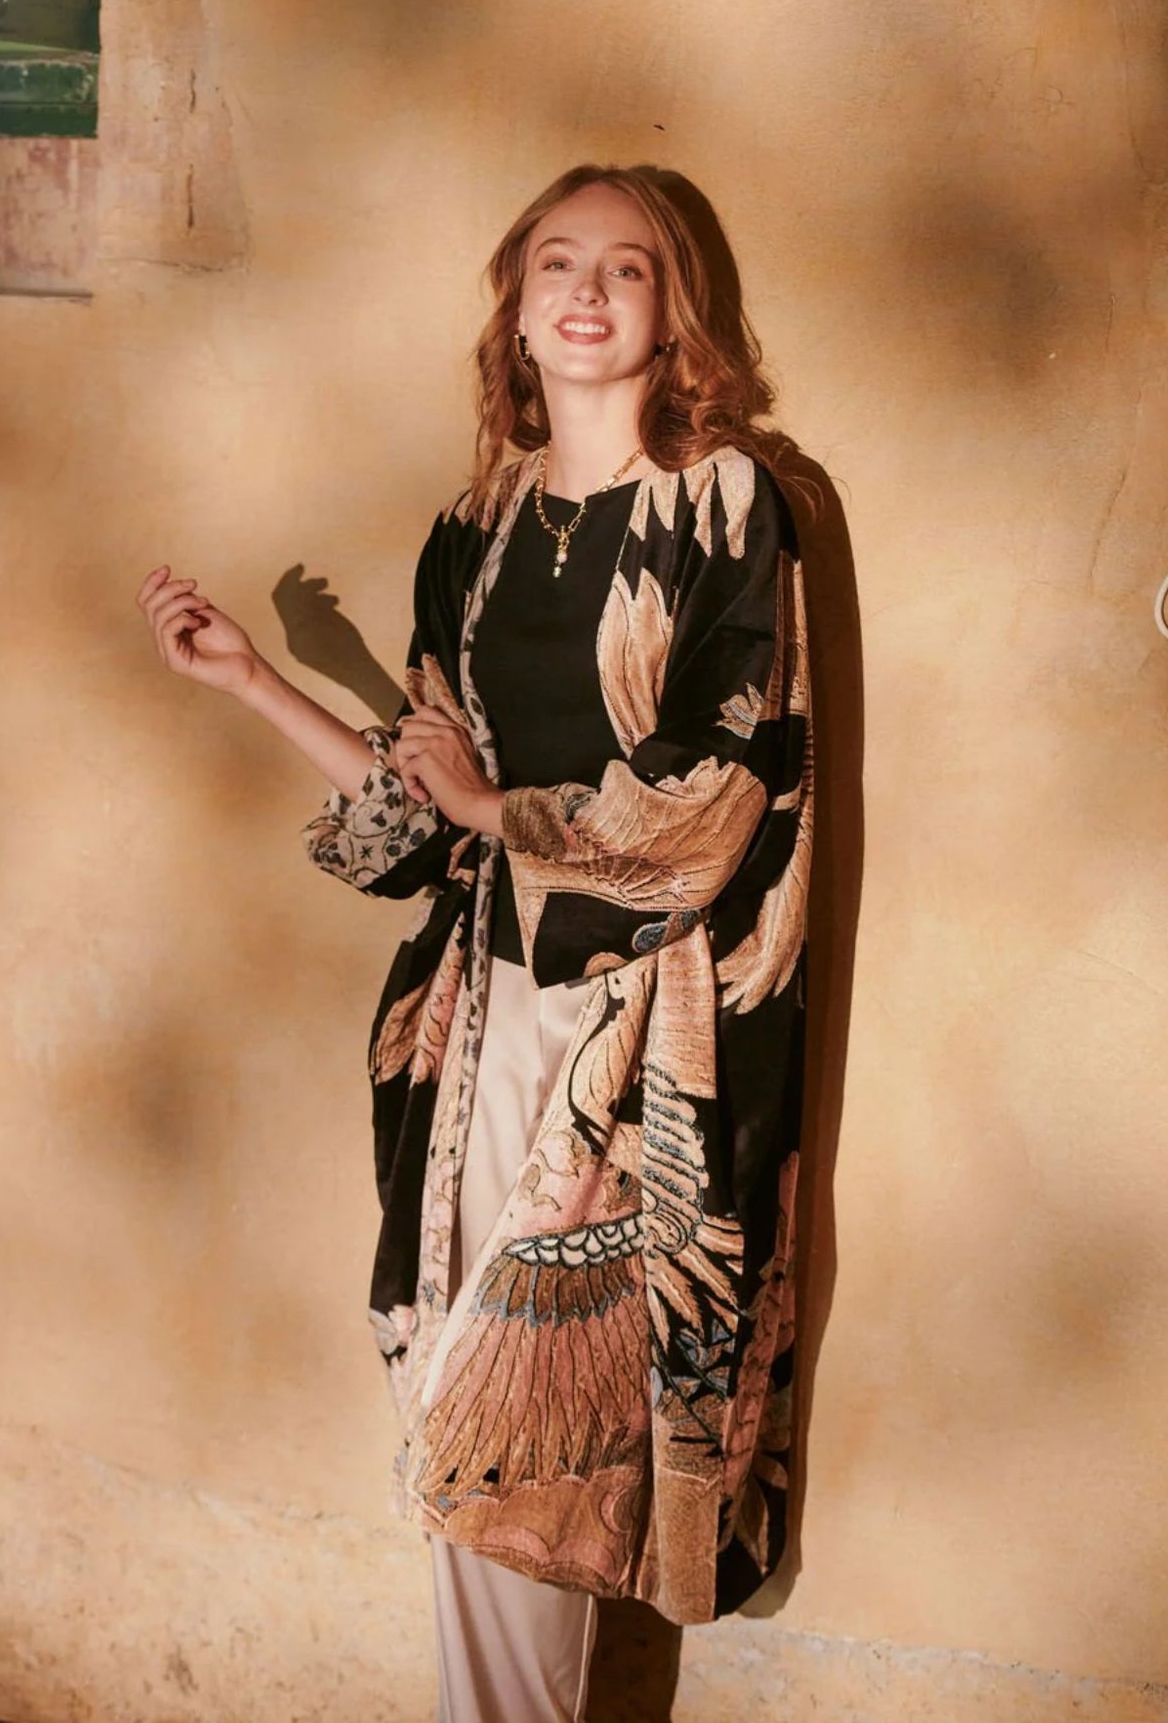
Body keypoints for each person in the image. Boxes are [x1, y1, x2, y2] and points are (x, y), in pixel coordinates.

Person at [136, 165, 813, 1723]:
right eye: (555, 262)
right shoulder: (477, 528)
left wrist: (507, 807)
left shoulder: (728, 507)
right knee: (474, 1428)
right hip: (474, 1023)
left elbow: (719, 799)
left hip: (633, 1043)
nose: (587, 289)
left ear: (672, 314)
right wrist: (249, 683)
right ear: (515, 308)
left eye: (628, 269)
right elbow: (429, 805)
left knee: (532, 1454)